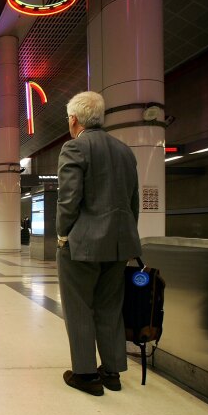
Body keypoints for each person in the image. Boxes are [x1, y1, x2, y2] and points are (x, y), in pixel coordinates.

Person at [56, 91, 141, 396]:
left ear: (74, 119)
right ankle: (112, 371)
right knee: (109, 307)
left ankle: (86, 375)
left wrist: (63, 235)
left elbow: (68, 200)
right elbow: (134, 204)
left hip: (82, 246)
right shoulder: (124, 152)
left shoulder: (75, 148)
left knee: (79, 308)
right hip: (118, 245)